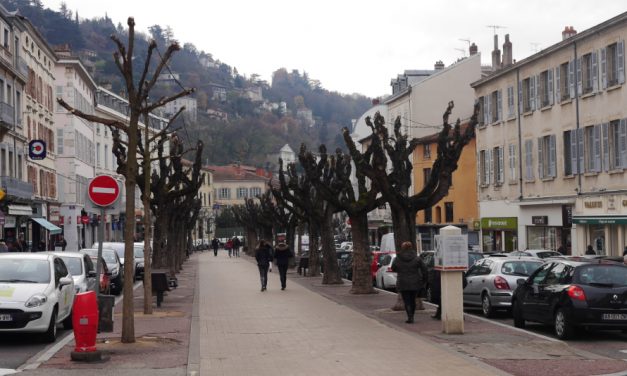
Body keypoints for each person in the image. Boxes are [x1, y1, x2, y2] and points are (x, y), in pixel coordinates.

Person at [391, 241, 428, 324]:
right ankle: (412, 316)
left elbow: (393, 268)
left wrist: (400, 270)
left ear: (402, 248)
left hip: (403, 282)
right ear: (411, 247)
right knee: (413, 300)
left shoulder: (398, 258)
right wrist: (424, 280)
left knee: (406, 300)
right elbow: (424, 269)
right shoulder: (417, 258)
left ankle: (409, 316)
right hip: (415, 282)